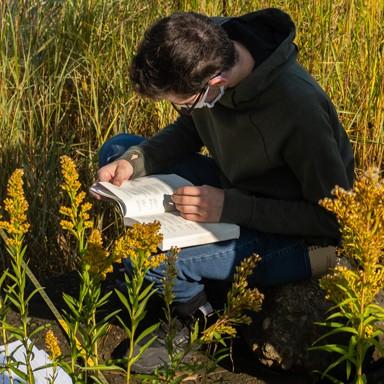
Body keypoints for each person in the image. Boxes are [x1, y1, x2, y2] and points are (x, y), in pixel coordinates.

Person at [95, 8, 354, 373]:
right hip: (234, 191)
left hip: (292, 231)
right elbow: (191, 129)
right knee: (118, 150)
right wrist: (136, 161)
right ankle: (196, 276)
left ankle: (197, 316)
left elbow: (333, 218)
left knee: (147, 261)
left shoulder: (298, 107)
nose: (179, 109)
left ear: (214, 84)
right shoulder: (210, 44)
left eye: (180, 103)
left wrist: (229, 207)